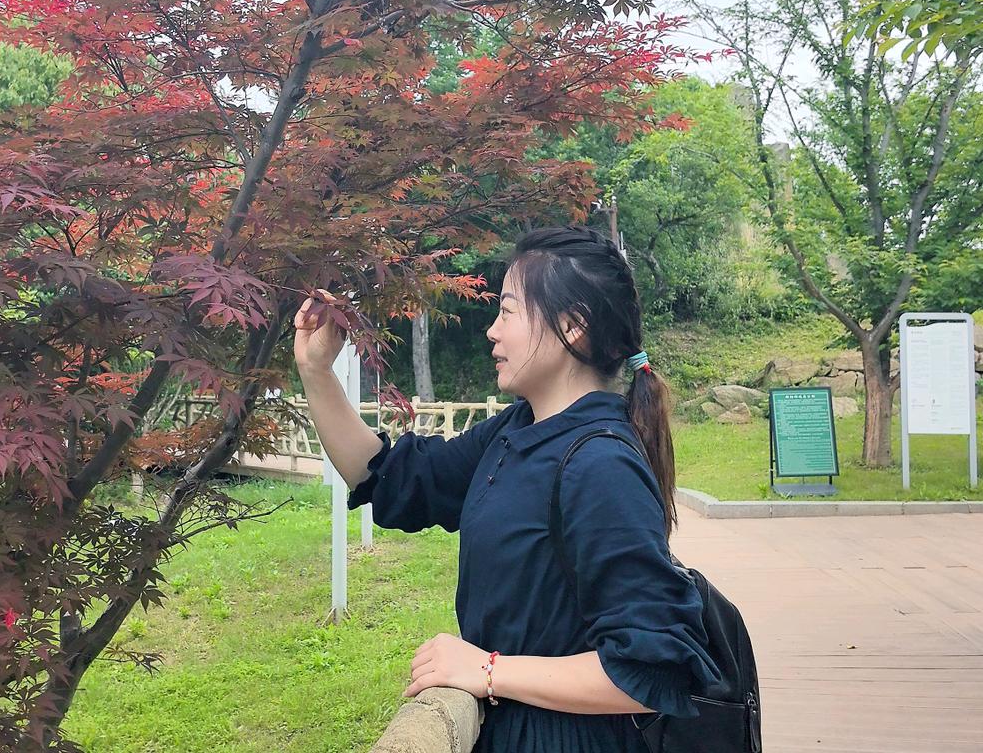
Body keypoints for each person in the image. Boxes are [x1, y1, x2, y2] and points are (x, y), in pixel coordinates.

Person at [293, 226, 718, 753]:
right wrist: (316, 371)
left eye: (508, 312)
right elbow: (398, 480)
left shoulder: (601, 465)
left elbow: (651, 670)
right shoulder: (519, 429)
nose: (492, 332)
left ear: (573, 327)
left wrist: (488, 669)